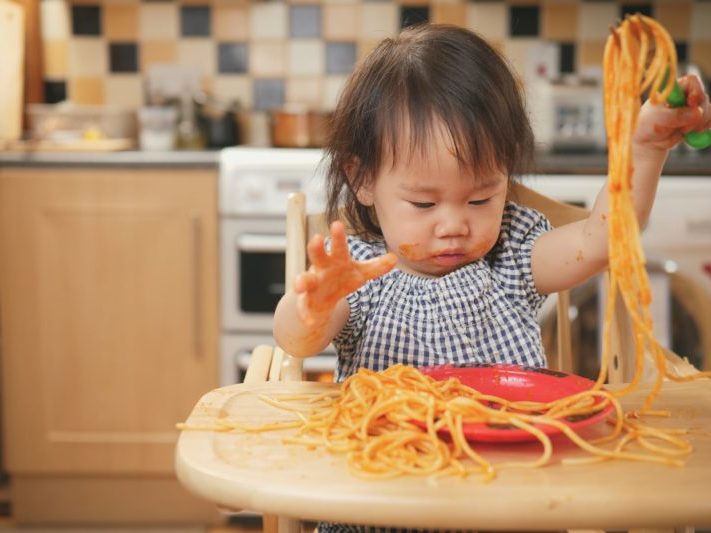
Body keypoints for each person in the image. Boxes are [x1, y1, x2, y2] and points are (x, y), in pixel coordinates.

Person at [273, 23, 711, 384]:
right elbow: (296, 342)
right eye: (424, 204)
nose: (454, 225)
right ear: (363, 180)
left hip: (512, 464)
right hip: (386, 470)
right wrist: (314, 308)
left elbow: (604, 239)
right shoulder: (362, 275)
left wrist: (646, 150)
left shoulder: (513, 259)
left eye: (481, 198)